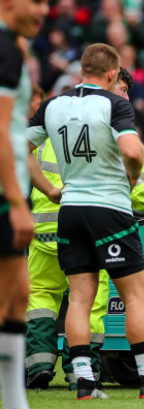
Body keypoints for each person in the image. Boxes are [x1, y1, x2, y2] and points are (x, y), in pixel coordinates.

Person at [26, 43, 144, 400]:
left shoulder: (52, 106)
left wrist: (49, 189)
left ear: (82, 69)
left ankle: (84, 382)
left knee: (79, 298)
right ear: (113, 74)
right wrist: (130, 177)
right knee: (136, 297)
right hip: (108, 209)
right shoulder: (114, 104)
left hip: (69, 210)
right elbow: (131, 150)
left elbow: (18, 148)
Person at [0, 1, 49, 409]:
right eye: (36, 2)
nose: (44, 10)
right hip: (5, 194)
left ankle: (16, 401)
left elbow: (18, 139)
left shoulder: (14, 47)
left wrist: (45, 190)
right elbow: (0, 129)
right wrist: (16, 201)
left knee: (19, 294)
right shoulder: (6, 49)